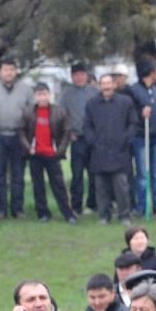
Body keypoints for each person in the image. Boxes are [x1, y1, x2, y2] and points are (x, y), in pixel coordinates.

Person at [82, 73, 137, 224]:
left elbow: (133, 123)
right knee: (101, 187)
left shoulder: (126, 102)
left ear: (114, 85)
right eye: (103, 83)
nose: (106, 87)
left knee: (121, 187)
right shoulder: (91, 104)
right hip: (99, 151)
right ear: (100, 85)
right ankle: (104, 215)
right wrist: (92, 141)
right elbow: (87, 126)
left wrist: (125, 139)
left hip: (120, 151)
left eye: (108, 83)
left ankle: (124, 215)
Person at [19, 83, 77, 223]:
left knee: (59, 185)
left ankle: (68, 214)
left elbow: (67, 132)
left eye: (44, 93)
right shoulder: (28, 112)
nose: (42, 97)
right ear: (35, 96)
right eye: (39, 94)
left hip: (52, 155)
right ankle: (43, 214)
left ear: (49, 95)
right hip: (35, 154)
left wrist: (60, 150)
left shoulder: (59, 111)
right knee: (38, 186)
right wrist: (28, 148)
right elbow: (21, 132)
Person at [127, 59, 156, 218]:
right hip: (141, 137)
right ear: (151, 72)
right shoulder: (134, 90)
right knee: (143, 174)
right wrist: (140, 114)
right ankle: (142, 206)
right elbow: (130, 113)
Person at [62, 65, 99, 216]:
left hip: (94, 138)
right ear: (72, 77)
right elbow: (62, 116)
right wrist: (68, 133)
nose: (79, 77)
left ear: (86, 75)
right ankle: (76, 206)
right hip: (77, 139)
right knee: (77, 174)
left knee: (94, 173)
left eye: (82, 74)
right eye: (76, 74)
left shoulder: (95, 92)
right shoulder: (67, 94)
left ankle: (93, 204)